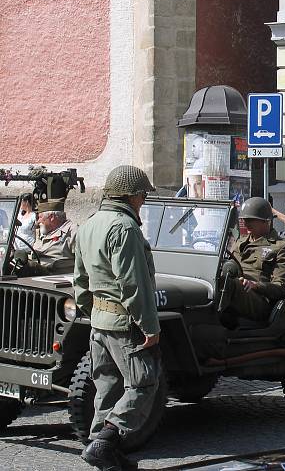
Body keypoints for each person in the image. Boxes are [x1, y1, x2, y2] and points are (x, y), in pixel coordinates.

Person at [74, 165, 159, 471]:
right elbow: (135, 284)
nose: (144, 201)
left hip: (99, 322)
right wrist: (149, 327)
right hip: (125, 325)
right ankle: (105, 443)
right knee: (144, 384)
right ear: (132, 195)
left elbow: (80, 282)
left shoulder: (89, 224)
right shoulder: (124, 228)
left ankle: (103, 449)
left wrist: (94, 311)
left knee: (107, 386)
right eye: (142, 194)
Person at [222, 197, 285, 321]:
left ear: (266, 221)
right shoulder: (239, 242)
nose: (246, 223)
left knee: (228, 283)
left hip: (260, 300)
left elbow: (282, 287)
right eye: (245, 220)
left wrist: (256, 285)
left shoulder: (282, 247)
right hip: (235, 293)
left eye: (251, 220)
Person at [12, 198, 78, 276]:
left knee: (31, 266)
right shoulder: (43, 231)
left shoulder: (72, 232)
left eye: (40, 217)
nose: (37, 222)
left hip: (56, 278)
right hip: (36, 276)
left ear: (51, 217)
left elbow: (83, 259)